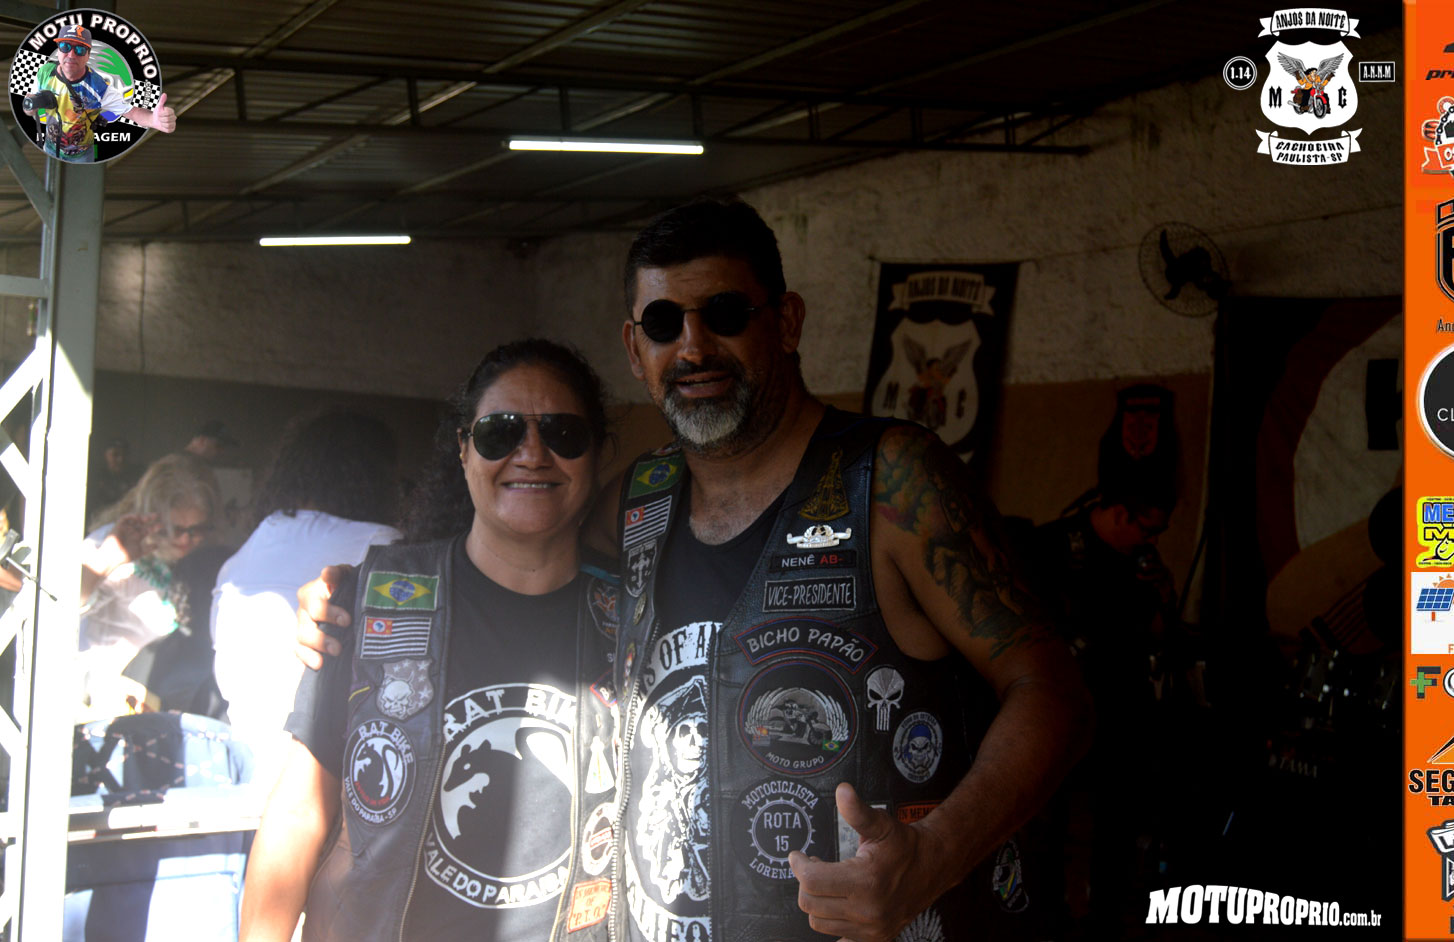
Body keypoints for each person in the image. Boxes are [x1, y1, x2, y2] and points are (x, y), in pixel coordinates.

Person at [296, 198, 1091, 942]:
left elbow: (1051, 688)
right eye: (663, 322)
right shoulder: (640, 497)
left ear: (787, 322)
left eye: (725, 314)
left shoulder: (889, 480)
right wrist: (359, 597)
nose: (694, 347)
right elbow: (515, 539)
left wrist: (936, 853)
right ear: (634, 349)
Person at [242, 340, 620, 942]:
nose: (531, 454)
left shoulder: (637, 617)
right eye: (500, 432)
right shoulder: (371, 601)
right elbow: (299, 810)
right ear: (464, 450)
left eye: (563, 433)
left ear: (597, 453)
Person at [1006, 473, 1179, 938]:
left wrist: (1163, 593)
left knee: (1117, 822)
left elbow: (1158, 634)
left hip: (1121, 711)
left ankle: (1104, 920)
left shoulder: (1139, 561)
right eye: (1148, 529)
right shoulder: (1053, 547)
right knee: (1049, 823)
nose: (1152, 541)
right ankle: (1046, 918)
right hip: (1061, 709)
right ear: (1121, 514)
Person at [210, 409, 402, 788]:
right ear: (379, 477)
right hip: (325, 782)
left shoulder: (250, 548)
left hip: (242, 771)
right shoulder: (383, 546)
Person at [79, 452, 219, 719]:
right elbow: (59, 605)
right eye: (173, 529)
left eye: (196, 530)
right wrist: (107, 561)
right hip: (103, 699)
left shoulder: (199, 560)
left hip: (162, 702)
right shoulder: (114, 541)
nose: (185, 540)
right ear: (150, 515)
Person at [24, 25, 176, 163]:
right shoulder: (45, 72)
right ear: (58, 50)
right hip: (49, 148)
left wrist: (153, 120)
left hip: (81, 157)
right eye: (65, 46)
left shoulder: (98, 87)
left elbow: (132, 112)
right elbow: (30, 103)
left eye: (80, 49)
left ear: (88, 55)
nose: (71, 54)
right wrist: (29, 107)